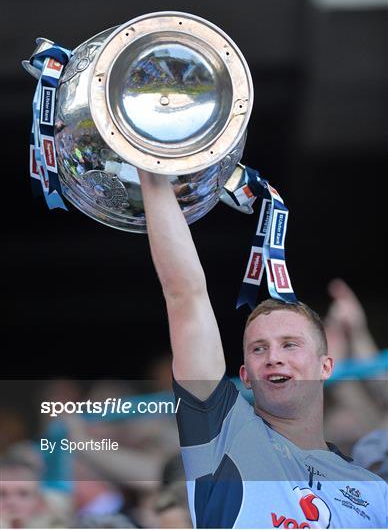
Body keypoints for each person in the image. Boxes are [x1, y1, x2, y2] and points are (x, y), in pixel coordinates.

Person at [139, 170, 388, 529]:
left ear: (326, 366)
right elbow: (185, 297)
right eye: (258, 349)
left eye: (290, 344)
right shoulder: (222, 433)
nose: (274, 356)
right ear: (246, 376)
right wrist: (152, 173)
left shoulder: (372, 491)